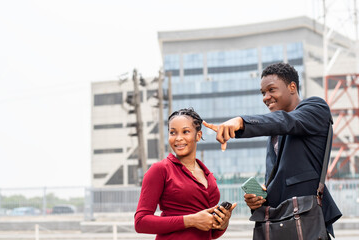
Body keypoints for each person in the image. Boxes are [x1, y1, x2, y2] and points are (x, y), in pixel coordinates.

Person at [203, 63, 342, 238]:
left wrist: (241, 122)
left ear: (292, 87)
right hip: (281, 224)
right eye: (263, 93)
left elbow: (287, 121)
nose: (266, 97)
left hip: (307, 224)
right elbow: (283, 178)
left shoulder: (315, 108)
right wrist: (260, 199)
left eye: (271, 90)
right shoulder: (275, 133)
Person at [135, 108, 237, 240]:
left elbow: (211, 232)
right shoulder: (160, 170)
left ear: (198, 136)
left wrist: (222, 224)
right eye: (173, 132)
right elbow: (140, 222)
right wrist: (191, 220)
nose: (178, 138)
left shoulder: (208, 176)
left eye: (185, 132)